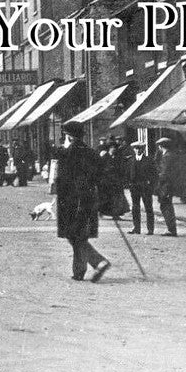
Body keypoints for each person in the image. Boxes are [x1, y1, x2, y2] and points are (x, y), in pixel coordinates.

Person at [55, 121, 111, 282]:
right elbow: (101, 173)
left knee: (75, 235)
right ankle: (81, 270)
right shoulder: (91, 152)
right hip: (88, 198)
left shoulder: (69, 152)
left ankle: (98, 262)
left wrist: (66, 148)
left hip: (72, 200)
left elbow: (62, 169)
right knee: (78, 235)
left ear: (69, 136)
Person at [154, 137, 183, 237]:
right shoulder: (172, 155)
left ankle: (171, 229)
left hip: (166, 185)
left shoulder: (166, 157)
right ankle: (171, 228)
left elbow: (164, 173)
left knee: (166, 206)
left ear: (161, 147)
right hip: (169, 185)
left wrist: (158, 182)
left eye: (159, 147)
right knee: (167, 206)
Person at [127, 141, 156, 235]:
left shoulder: (149, 160)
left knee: (148, 208)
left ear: (143, 149)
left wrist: (150, 184)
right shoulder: (130, 161)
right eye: (136, 148)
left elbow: (154, 174)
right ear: (133, 149)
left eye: (140, 148)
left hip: (145, 187)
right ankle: (136, 228)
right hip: (134, 187)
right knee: (135, 208)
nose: (138, 150)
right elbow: (127, 174)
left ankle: (150, 229)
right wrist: (129, 184)